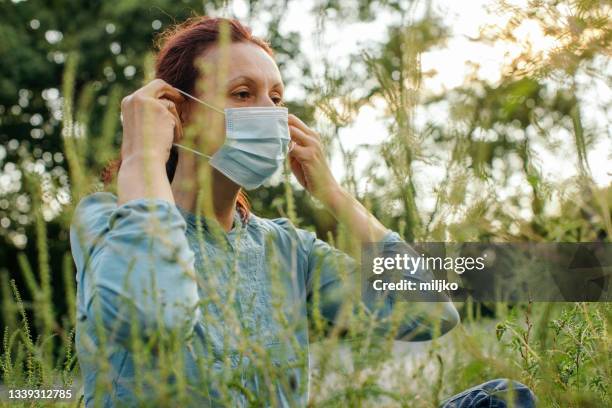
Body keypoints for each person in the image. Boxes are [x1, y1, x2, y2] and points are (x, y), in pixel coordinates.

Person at [70, 16, 535, 407]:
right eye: (242, 94)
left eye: (276, 97)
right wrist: (144, 159)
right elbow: (155, 316)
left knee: (502, 398)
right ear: (178, 113)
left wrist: (334, 194)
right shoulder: (105, 222)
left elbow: (431, 313)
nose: (269, 113)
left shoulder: (287, 248)